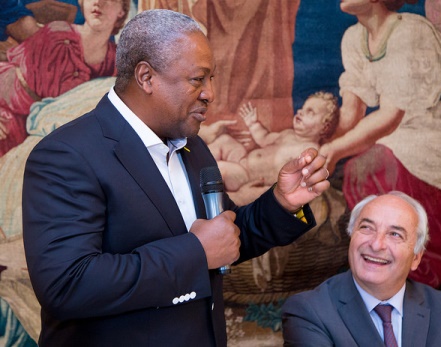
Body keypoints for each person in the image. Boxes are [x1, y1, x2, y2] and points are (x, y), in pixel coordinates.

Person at [22, 9, 331, 347]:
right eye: (198, 79)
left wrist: (282, 203)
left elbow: (222, 236)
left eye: (211, 78)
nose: (210, 93)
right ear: (146, 77)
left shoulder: (192, 146)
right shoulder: (66, 154)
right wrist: (195, 252)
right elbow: (67, 285)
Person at [319, 0, 441, 295]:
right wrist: (316, 139)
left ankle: (437, 269)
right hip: (411, 124)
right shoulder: (353, 38)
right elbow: (351, 114)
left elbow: (389, 118)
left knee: (372, 164)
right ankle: (397, 265)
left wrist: (334, 151)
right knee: (363, 165)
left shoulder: (410, 32)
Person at [282, 191, 441, 346]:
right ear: (351, 237)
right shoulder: (309, 312)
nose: (376, 245)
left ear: (416, 258)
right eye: (366, 228)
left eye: (395, 234)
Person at [0, 0, 129, 157]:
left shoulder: (115, 63)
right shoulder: (58, 33)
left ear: (122, 10)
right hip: (8, 110)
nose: (98, 2)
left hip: (47, 132)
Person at [208, 92, 339, 191]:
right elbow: (264, 139)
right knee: (225, 141)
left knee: (221, 169)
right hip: (244, 161)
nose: (300, 112)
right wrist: (253, 124)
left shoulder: (311, 152)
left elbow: (298, 180)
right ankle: (192, 162)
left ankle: (193, 180)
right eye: (303, 108)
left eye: (310, 112)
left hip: (249, 178)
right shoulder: (288, 134)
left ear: (324, 127)